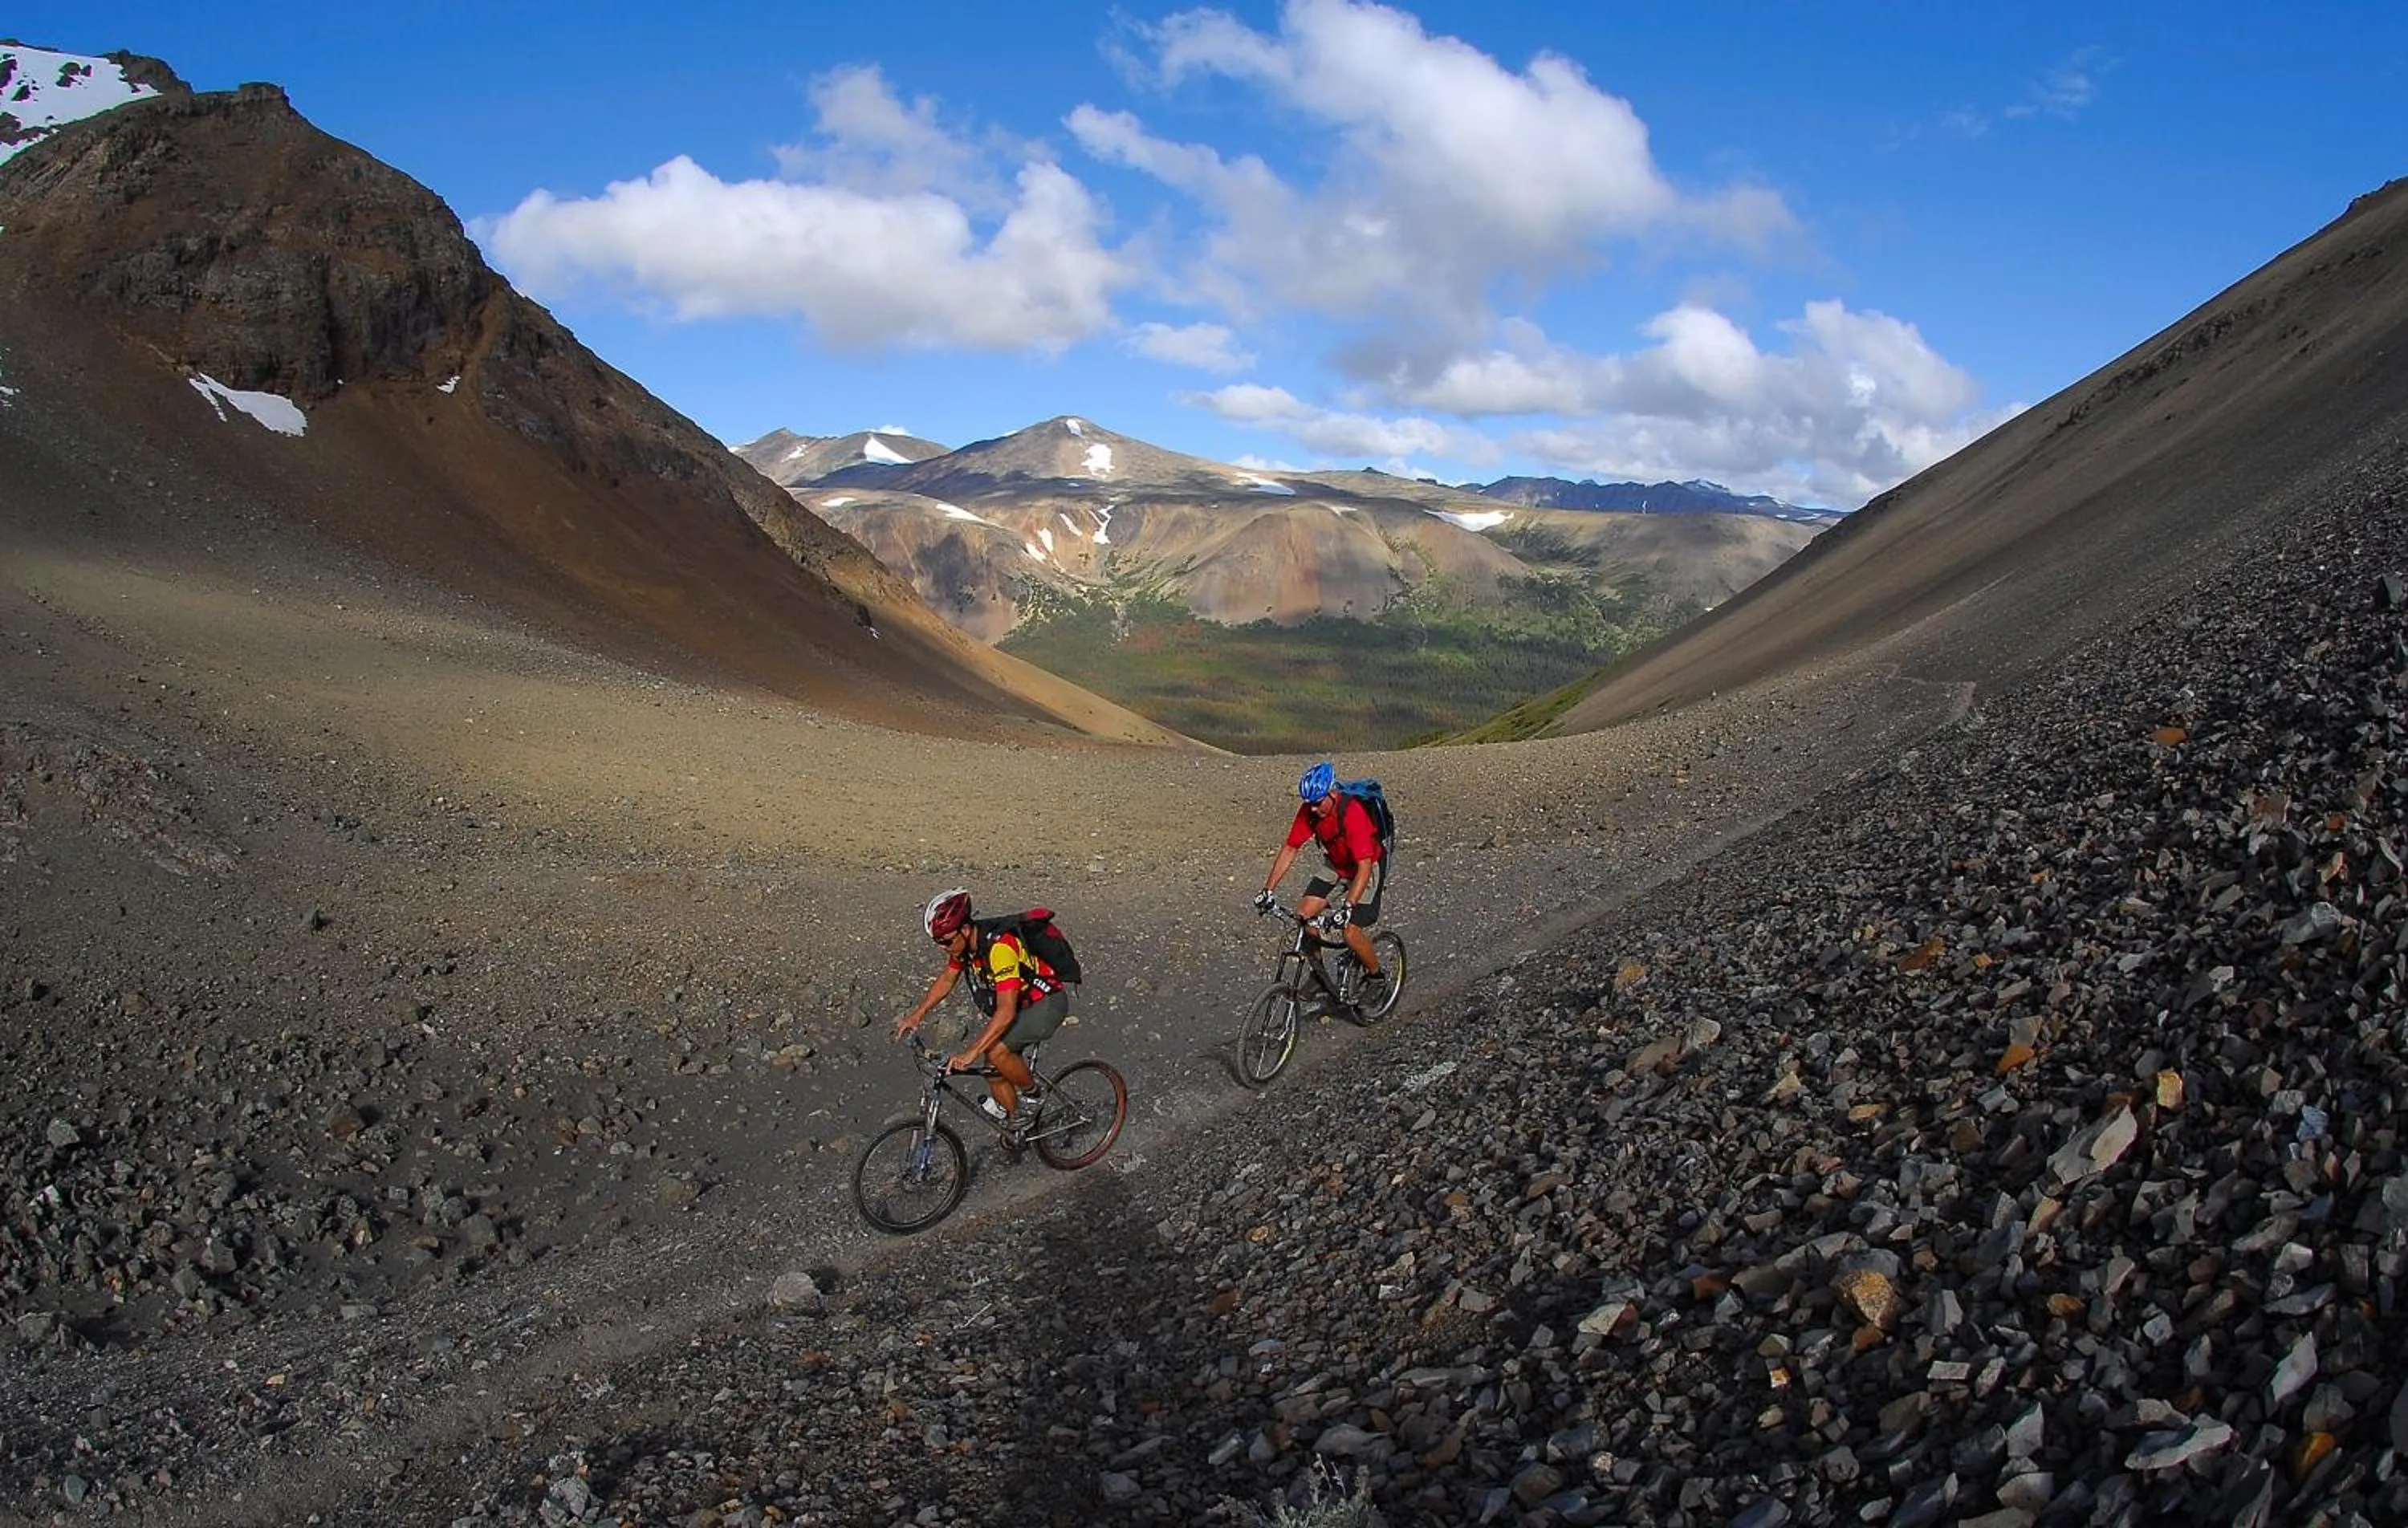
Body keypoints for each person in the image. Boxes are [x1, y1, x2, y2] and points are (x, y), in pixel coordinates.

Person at [893, 888, 1071, 1137]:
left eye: (945, 940)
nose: (943, 947)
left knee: (996, 1051)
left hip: (1046, 1003)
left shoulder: (1000, 948)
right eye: (937, 942)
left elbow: (1006, 1010)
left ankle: (1034, 1095)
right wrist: (917, 1015)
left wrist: (970, 1052)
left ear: (965, 929)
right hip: (1022, 1005)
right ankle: (1019, 1128)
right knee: (993, 1068)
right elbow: (947, 979)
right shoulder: (964, 947)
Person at [1254, 761, 1388, 1002]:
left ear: (1332, 793)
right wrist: (1268, 890)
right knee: (1304, 915)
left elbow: (1365, 866)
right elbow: (1290, 848)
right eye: (1309, 803)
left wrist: (1348, 907)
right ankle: (1319, 975)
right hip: (1337, 863)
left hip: (1365, 865)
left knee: (1350, 931)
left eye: (1317, 803)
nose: (1313, 809)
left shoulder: (1352, 813)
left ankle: (1377, 978)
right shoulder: (1310, 810)